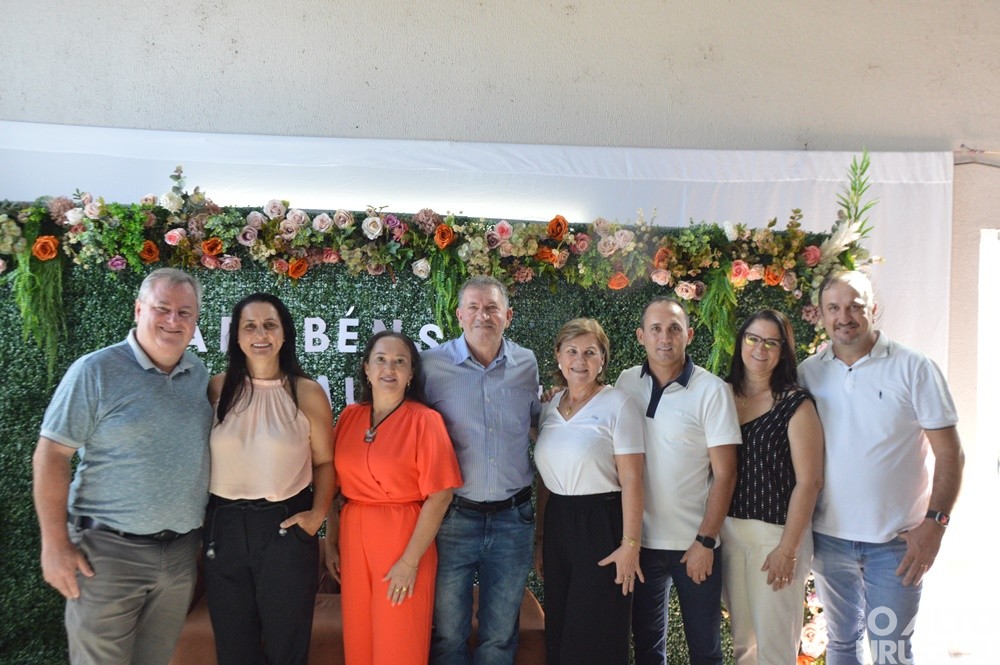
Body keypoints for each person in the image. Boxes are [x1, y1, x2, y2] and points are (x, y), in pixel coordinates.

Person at [31, 268, 212, 665]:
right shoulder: (95, 371)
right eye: (162, 308)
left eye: (185, 313)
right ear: (138, 309)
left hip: (180, 555)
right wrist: (55, 542)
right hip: (107, 555)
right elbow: (51, 454)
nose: (173, 321)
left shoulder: (198, 374)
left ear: (196, 320)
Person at [799, 271, 964, 665]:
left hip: (896, 545)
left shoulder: (914, 367)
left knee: (891, 651)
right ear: (820, 315)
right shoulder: (809, 373)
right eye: (834, 308)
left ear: (873, 309)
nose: (845, 316)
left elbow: (951, 454)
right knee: (840, 645)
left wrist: (935, 525)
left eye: (855, 305)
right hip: (828, 541)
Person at [203, 293, 334, 665]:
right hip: (223, 528)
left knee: (286, 648)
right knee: (234, 649)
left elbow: (326, 463)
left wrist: (315, 518)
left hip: (284, 529)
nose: (260, 334)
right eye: (250, 326)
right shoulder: (216, 388)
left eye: (270, 324)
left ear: (284, 333)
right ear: (237, 337)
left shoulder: (306, 392)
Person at [422, 275, 541, 665]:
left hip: (513, 517)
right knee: (448, 635)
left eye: (491, 307)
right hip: (453, 517)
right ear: (459, 315)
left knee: (499, 637)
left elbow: (539, 424)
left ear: (507, 315)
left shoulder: (527, 363)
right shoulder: (430, 365)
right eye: (473, 307)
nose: (482, 315)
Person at [615, 296, 741, 665]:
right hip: (640, 544)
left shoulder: (711, 390)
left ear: (688, 334)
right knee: (648, 650)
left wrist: (705, 540)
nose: (665, 338)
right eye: (655, 329)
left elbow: (726, 473)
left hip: (694, 545)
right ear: (641, 336)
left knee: (705, 650)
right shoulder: (625, 383)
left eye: (673, 328)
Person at [327, 330, 463, 665]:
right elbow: (333, 489)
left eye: (400, 361)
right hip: (353, 536)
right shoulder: (349, 416)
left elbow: (441, 495)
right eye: (381, 360)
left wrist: (410, 561)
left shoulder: (425, 421)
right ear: (367, 369)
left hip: (403, 540)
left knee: (399, 642)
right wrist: (330, 541)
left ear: (411, 373)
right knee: (359, 638)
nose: (390, 368)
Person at [533, 318, 645, 665]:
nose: (579, 360)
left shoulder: (618, 404)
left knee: (596, 632)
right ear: (558, 356)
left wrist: (630, 546)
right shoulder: (549, 407)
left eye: (590, 353)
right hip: (558, 523)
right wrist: (540, 538)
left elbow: (633, 481)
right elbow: (546, 478)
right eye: (572, 351)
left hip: (602, 523)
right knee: (561, 628)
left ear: (602, 360)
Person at [721, 309, 824, 665]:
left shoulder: (795, 403)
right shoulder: (722, 395)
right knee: (743, 646)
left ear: (783, 351)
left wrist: (789, 550)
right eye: (752, 338)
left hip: (777, 537)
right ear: (741, 343)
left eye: (771, 342)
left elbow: (810, 481)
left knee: (776, 649)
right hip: (731, 533)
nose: (760, 349)